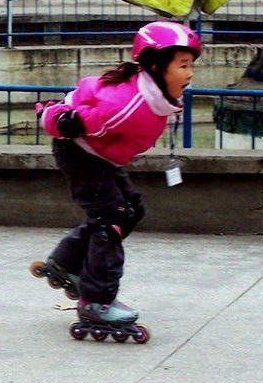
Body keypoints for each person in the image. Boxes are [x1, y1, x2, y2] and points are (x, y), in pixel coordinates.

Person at [33, 21, 201, 336]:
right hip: (80, 153)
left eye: (191, 65)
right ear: (155, 66)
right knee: (112, 218)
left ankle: (67, 263)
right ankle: (96, 302)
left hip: (99, 156)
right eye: (182, 65)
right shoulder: (128, 105)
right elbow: (74, 117)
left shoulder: (152, 96)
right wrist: (52, 116)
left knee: (130, 210)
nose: (190, 73)